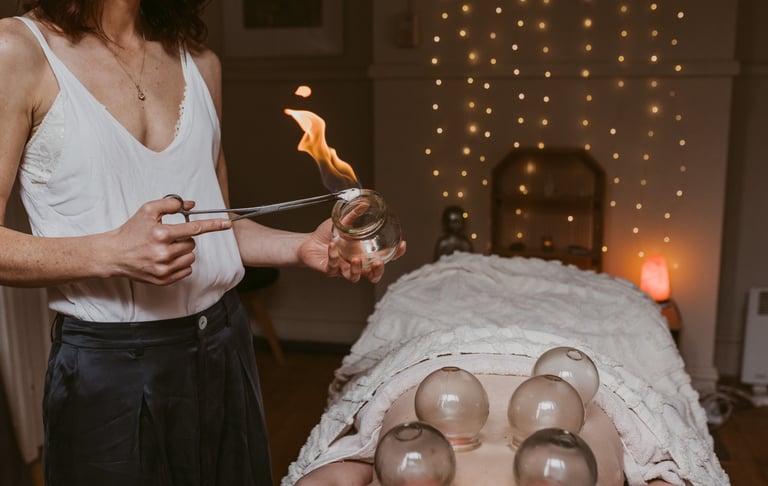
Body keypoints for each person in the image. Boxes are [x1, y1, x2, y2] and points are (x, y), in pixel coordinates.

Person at [0, 1, 405, 484]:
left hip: (223, 347)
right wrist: (111, 252)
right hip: (109, 371)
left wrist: (301, 248)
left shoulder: (200, 62)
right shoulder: (17, 50)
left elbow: (218, 225)